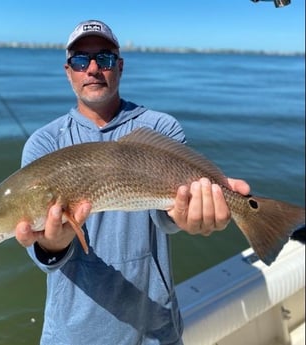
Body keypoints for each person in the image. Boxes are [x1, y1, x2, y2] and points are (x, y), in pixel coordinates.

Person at [15, 20, 250, 345]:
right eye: (81, 60)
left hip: (154, 330)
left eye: (105, 58)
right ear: (68, 71)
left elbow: (166, 216)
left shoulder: (159, 127)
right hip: (72, 334)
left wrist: (189, 214)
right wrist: (52, 244)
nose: (93, 69)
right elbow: (41, 253)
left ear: (120, 66)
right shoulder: (44, 144)